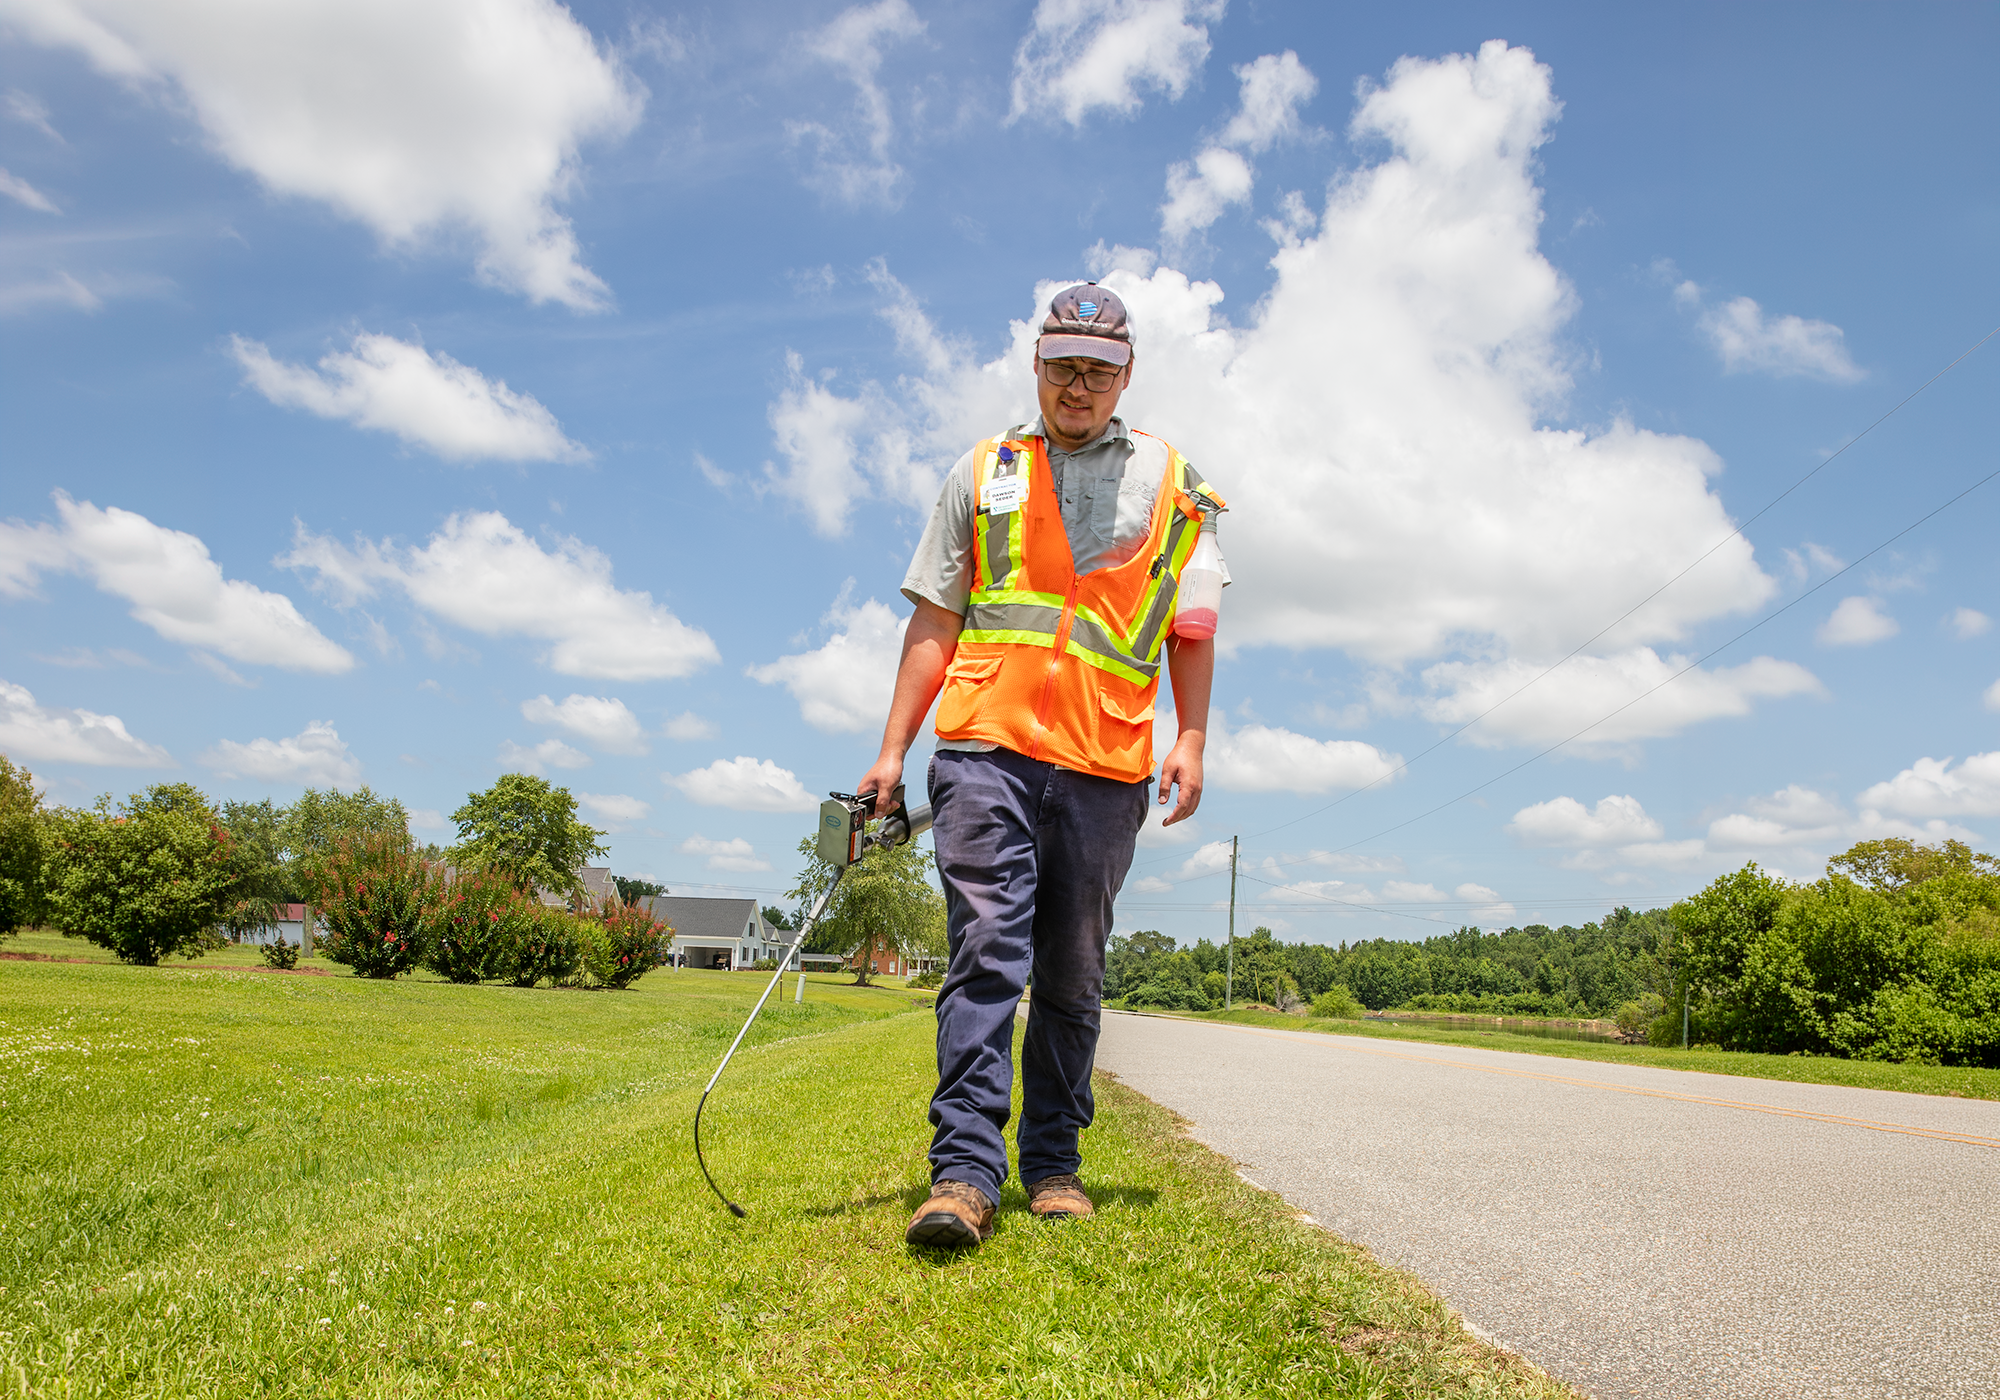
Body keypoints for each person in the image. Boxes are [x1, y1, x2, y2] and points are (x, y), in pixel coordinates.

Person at [855, 282, 1227, 1250]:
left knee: (1070, 969)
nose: (1077, 383)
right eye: (1062, 363)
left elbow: (1189, 627)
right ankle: (963, 1172)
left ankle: (1052, 1161)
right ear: (1035, 361)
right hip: (984, 748)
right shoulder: (982, 472)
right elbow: (935, 617)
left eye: (1098, 370)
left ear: (1126, 376)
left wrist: (1187, 737)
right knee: (986, 950)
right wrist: (892, 749)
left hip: (1104, 764)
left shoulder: (1172, 484)